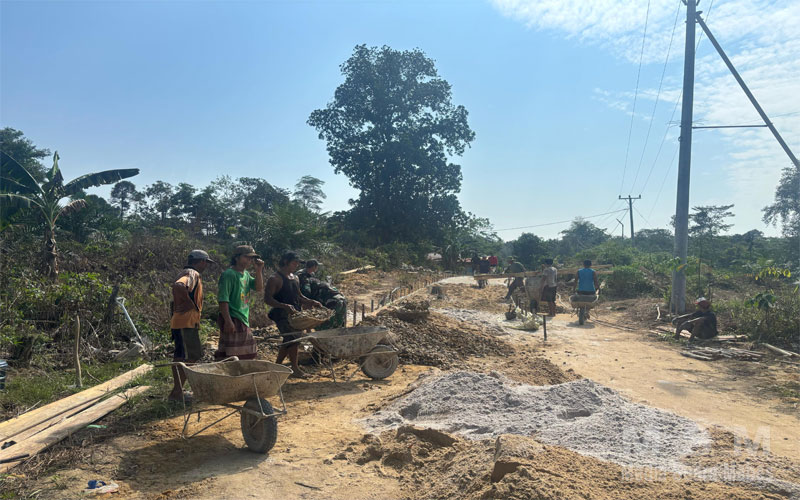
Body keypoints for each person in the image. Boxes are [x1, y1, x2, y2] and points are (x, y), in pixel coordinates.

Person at [265, 252, 323, 377]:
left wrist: (311, 302)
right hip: (281, 314)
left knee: (289, 340)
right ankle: (295, 369)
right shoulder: (275, 278)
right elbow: (268, 299)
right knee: (293, 340)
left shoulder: (295, 277)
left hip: (295, 314)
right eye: (294, 263)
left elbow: (299, 296)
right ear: (285, 261)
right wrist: (284, 306)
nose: (296, 265)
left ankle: (277, 367)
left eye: (297, 263)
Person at [168, 249, 214, 402]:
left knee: (182, 356)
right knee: (189, 356)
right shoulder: (192, 273)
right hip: (185, 322)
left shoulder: (186, 272)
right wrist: (189, 303)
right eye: (206, 263)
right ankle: (177, 393)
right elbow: (179, 286)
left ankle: (177, 391)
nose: (206, 266)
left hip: (182, 321)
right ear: (201, 261)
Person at [215, 245, 264, 361]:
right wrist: (228, 321)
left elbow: (258, 287)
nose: (250, 260)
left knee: (242, 352)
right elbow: (223, 300)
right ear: (237, 258)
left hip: (242, 318)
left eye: (251, 258)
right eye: (247, 257)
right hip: (234, 318)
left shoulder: (246, 274)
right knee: (235, 354)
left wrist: (258, 270)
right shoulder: (229, 274)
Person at [298, 259, 347, 329]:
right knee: (338, 325)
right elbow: (307, 292)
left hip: (332, 302)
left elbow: (307, 294)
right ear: (314, 266)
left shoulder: (311, 277)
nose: (317, 268)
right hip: (341, 299)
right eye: (316, 266)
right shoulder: (303, 276)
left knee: (322, 325)